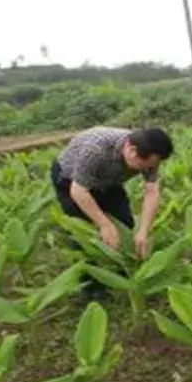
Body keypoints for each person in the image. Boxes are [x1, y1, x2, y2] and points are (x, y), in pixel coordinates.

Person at [50, 126, 174, 298]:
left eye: (151, 166)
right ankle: (91, 287)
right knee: (86, 234)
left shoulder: (150, 156)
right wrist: (104, 224)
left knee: (125, 224)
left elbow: (152, 191)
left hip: (110, 182)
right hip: (71, 179)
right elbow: (79, 191)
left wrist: (143, 231)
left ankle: (123, 274)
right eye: (142, 166)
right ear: (131, 151)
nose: (145, 170)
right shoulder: (96, 150)